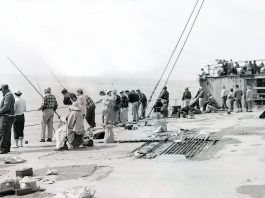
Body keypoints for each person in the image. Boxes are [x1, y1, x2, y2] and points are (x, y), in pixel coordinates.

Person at [0, 84, 15, 154]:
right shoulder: (9, 94)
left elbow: (6, 107)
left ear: (3, 89)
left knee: (3, 132)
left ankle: (2, 149)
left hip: (6, 116)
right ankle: (6, 148)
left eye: (1, 90)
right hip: (9, 116)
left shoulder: (8, 95)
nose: (1, 92)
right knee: (7, 132)